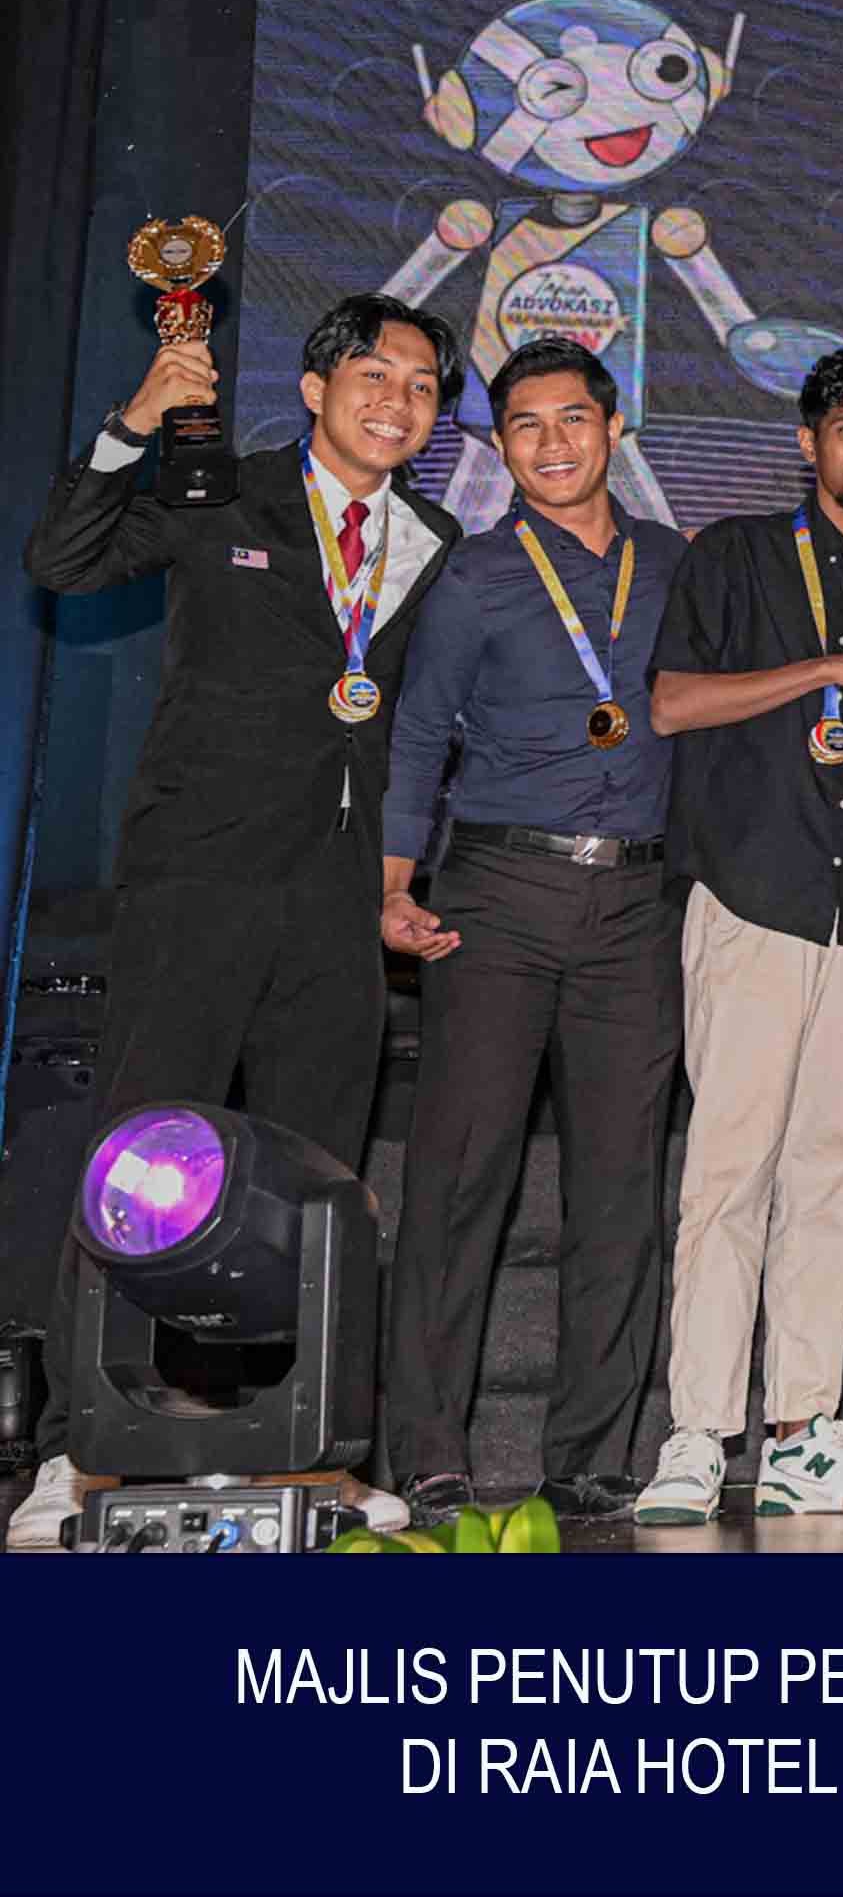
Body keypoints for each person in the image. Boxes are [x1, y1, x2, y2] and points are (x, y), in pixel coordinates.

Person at [12, 292, 461, 1554]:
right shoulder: (224, 492)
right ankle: (76, 1449)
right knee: (136, 1151)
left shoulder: (431, 538)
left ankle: (311, 1453)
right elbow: (64, 560)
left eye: (423, 386)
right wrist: (133, 422)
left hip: (335, 898)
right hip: (198, 878)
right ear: (314, 390)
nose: (397, 401)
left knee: (318, 1175)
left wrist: (393, 880)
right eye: (374, 375)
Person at [631, 346, 843, 1525]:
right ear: (807, 442)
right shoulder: (734, 555)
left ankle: (802, 1433)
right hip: (749, 894)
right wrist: (829, 665)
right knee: (728, 1174)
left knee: (826, 1174)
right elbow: (672, 702)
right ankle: (696, 1433)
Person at [374, 339, 687, 1527]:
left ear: (616, 428)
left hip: (639, 905)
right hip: (497, 894)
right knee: (460, 1175)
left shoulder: (675, 564)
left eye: (573, 419)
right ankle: (429, 1450)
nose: (552, 443)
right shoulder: (473, 573)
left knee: (620, 1184)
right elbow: (417, 733)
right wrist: (393, 884)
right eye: (525, 426)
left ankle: (590, 1452)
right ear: (500, 447)